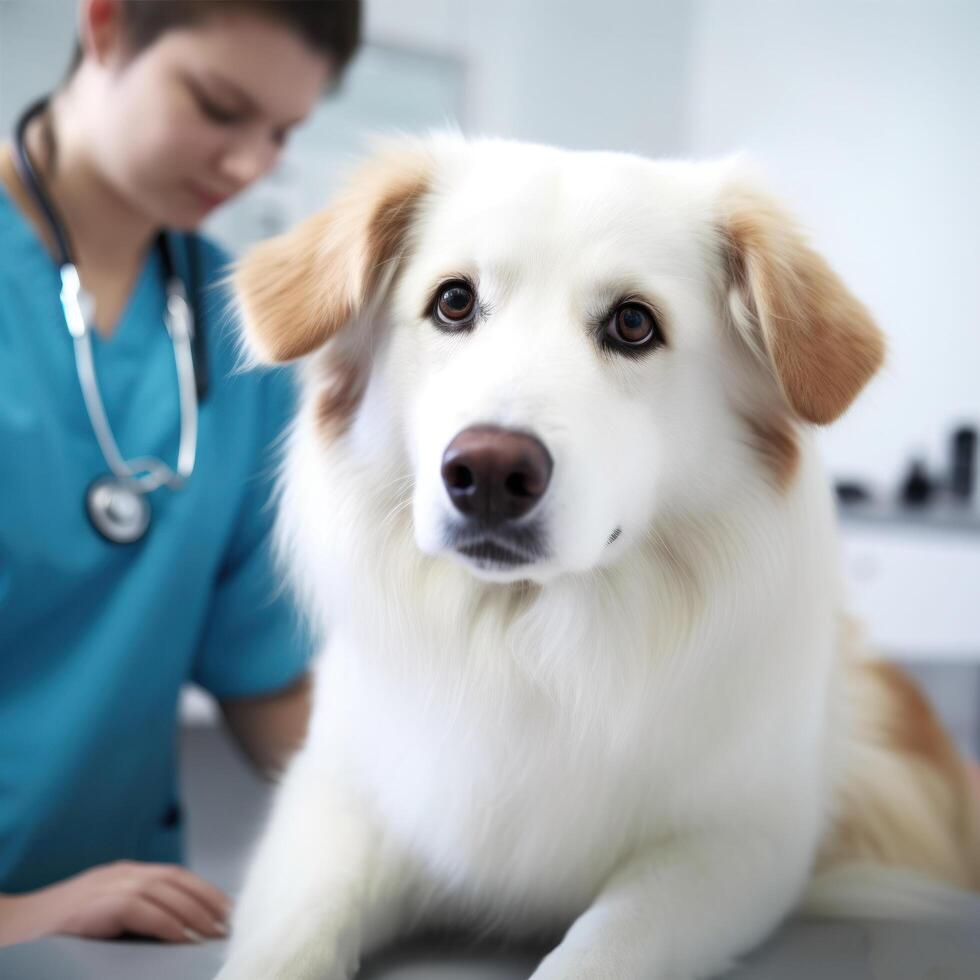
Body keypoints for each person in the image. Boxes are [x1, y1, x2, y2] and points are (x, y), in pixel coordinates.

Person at [0, 0, 360, 948]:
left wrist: (433, 835)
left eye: (283, 132)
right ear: (107, 27)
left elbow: (267, 680)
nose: (248, 165)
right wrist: (19, 920)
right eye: (216, 106)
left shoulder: (235, 337)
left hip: (121, 928)